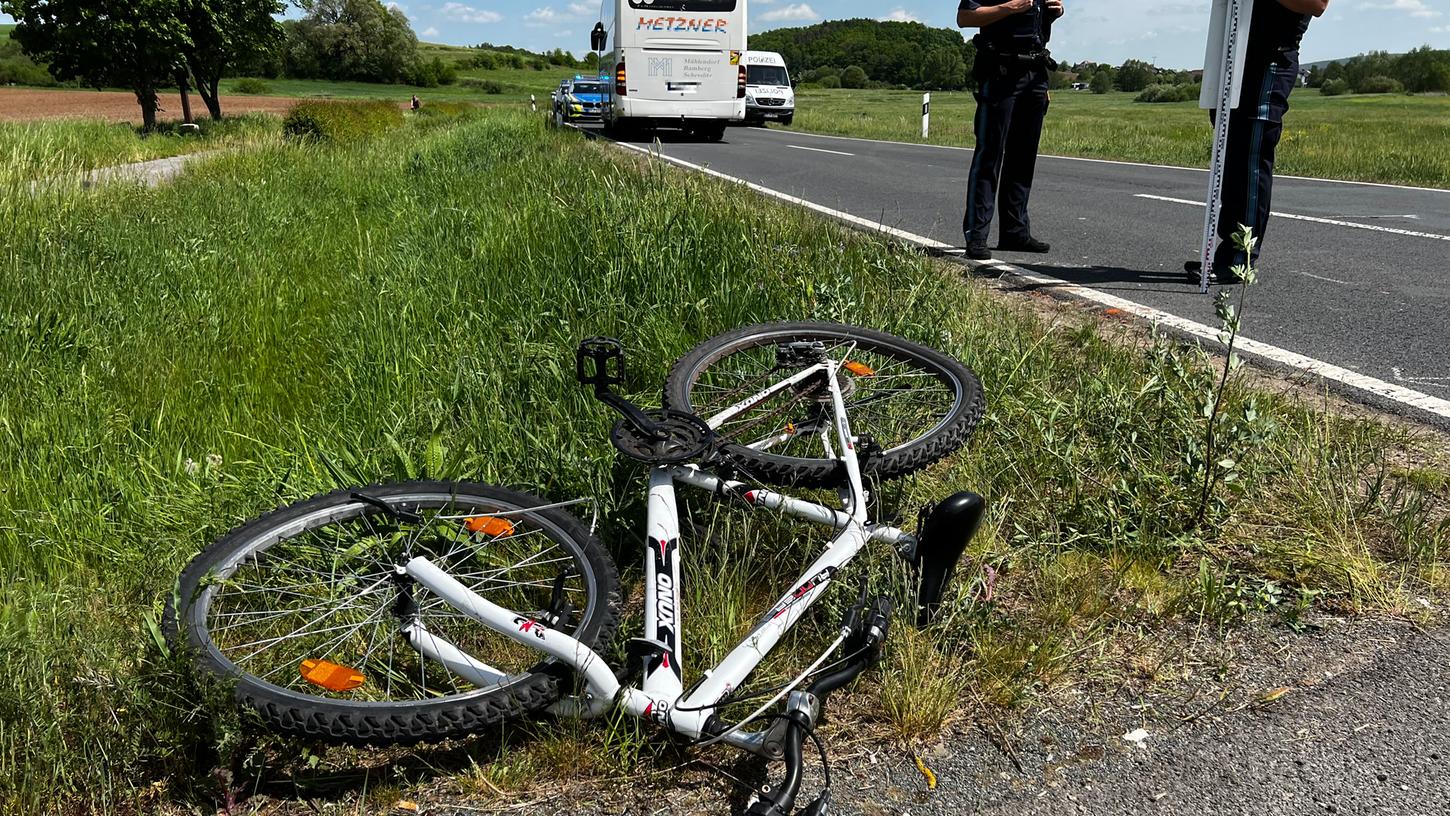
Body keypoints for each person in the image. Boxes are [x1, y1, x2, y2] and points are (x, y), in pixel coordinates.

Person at [1189, 0, 1329, 283]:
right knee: (1230, 160)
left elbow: (1317, 4)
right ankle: (1227, 253)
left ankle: (1240, 258)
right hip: (1233, 59)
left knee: (1251, 158)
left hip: (1270, 62)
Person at [958, 0, 1064, 261]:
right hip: (1000, 72)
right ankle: (977, 236)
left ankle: (1014, 231)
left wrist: (1054, 13)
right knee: (989, 155)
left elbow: (1035, 33)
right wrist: (1009, 7)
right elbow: (965, 18)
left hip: (1035, 74)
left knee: (1023, 158)